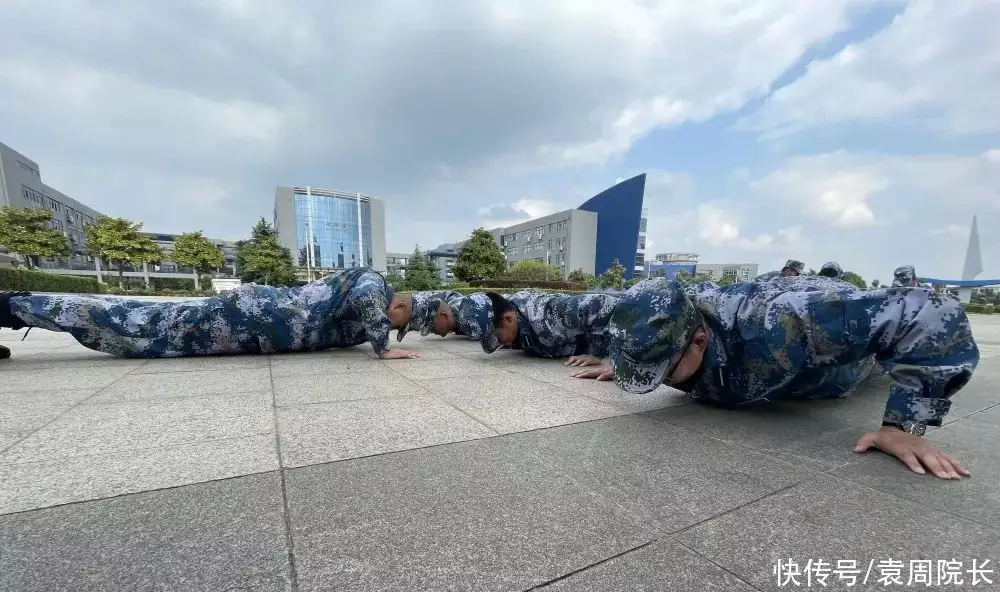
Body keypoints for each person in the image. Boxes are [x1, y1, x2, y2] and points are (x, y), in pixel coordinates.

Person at [573, 276, 979, 480]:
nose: (658, 383)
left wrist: (902, 426)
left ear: (699, 339)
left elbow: (931, 312)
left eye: (664, 371)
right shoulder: (670, 327)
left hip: (846, 361)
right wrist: (631, 363)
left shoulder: (778, 320)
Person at [0, 267, 428, 360]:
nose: (395, 328)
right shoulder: (373, 283)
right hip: (249, 318)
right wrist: (382, 347)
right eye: (400, 323)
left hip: (250, 321)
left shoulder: (360, 301)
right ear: (397, 308)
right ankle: (15, 305)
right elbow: (371, 303)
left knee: (142, 322)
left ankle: (18, 307)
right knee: (137, 326)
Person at [477, 290, 619, 366]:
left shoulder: (548, 312)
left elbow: (602, 303)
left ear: (508, 319)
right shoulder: (514, 318)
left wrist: (595, 353)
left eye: (498, 337)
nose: (499, 343)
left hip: (623, 338)